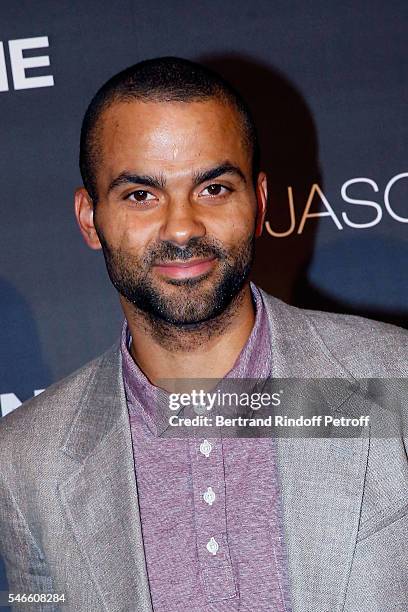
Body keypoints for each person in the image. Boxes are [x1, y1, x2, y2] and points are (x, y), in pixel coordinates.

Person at [0, 57, 407, 612]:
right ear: (90, 219)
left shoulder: (391, 382)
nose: (183, 226)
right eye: (141, 195)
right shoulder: (28, 460)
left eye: (213, 188)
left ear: (259, 203)